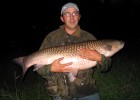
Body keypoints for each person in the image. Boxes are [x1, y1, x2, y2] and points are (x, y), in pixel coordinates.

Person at [36, 2, 111, 100]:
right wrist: (50, 68)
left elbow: (105, 67)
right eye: (67, 14)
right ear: (62, 18)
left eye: (75, 13)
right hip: (60, 93)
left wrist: (100, 58)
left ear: (79, 17)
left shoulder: (89, 37)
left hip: (86, 89)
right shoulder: (51, 38)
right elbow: (38, 69)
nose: (72, 17)